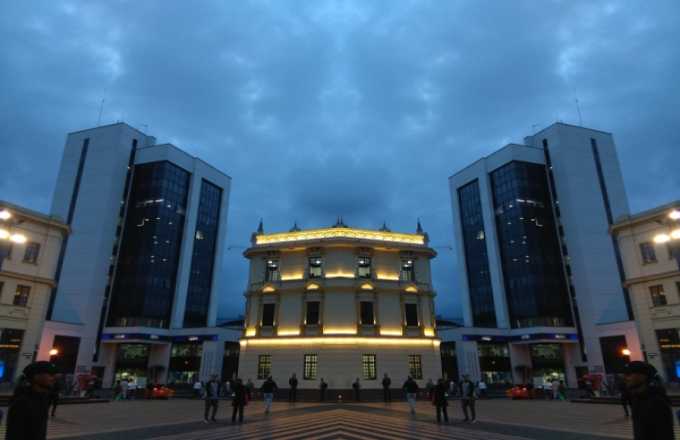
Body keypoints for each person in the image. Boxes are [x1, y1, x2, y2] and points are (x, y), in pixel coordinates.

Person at [6, 361, 57, 440]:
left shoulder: (43, 398)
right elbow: (15, 434)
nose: (53, 378)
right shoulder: (22, 402)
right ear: (36, 376)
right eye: (50, 374)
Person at [623, 361, 673, 440]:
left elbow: (664, 434)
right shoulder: (637, 398)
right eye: (625, 375)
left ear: (643, 376)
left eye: (629, 374)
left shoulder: (657, 402)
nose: (625, 378)